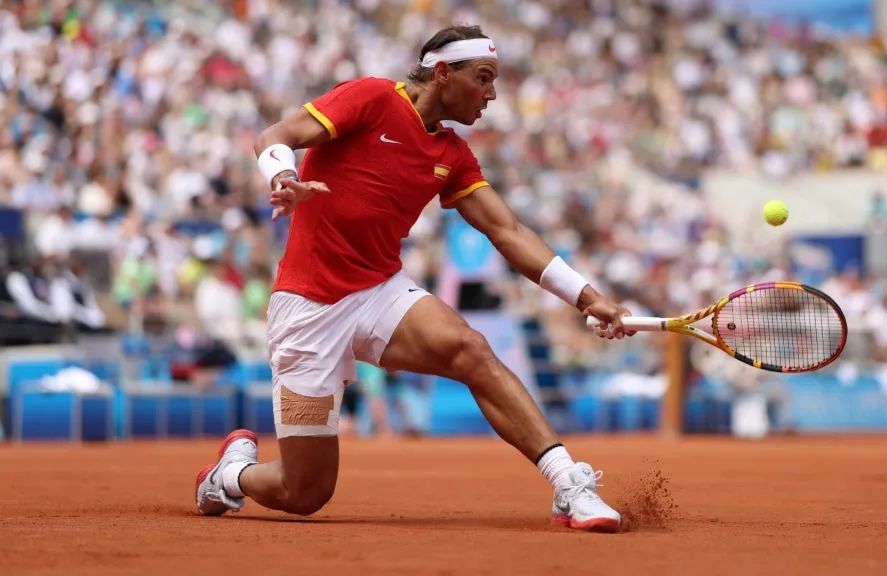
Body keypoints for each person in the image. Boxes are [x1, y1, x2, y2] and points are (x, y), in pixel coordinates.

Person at [194, 25, 635, 533]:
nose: (492, 94)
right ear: (443, 73)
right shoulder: (372, 97)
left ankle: (568, 485)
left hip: (378, 291)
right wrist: (283, 177)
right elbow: (274, 137)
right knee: (305, 491)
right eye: (483, 78)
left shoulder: (452, 154)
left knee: (470, 348)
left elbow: (508, 230)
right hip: (307, 308)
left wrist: (587, 296)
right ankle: (232, 476)